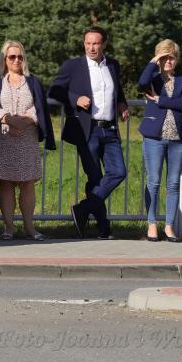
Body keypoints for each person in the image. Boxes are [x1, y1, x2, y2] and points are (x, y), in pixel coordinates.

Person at [49, 26, 128, 240]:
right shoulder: (73, 66)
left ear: (104, 44)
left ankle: (82, 209)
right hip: (87, 130)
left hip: (110, 129)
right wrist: (75, 99)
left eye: (96, 43)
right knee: (95, 178)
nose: (91, 47)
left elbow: (117, 90)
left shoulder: (113, 65)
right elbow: (55, 89)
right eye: (88, 43)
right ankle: (103, 228)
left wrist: (121, 103)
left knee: (119, 172)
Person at [0, 40, 56, 240]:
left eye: (20, 56)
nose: (16, 60)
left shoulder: (33, 82)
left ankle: (30, 227)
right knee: (6, 184)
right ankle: (9, 228)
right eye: (12, 57)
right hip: (4, 139)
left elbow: (39, 107)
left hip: (27, 139)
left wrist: (27, 121)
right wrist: (8, 119)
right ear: (4, 59)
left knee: (27, 183)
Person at [137, 39, 182, 243]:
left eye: (172, 57)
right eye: (164, 57)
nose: (168, 61)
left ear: (176, 60)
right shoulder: (153, 78)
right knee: (154, 181)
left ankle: (169, 226)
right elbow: (142, 83)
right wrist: (154, 61)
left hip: (177, 139)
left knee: (174, 183)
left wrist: (161, 100)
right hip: (154, 137)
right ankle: (152, 224)